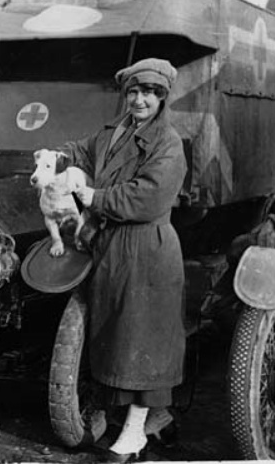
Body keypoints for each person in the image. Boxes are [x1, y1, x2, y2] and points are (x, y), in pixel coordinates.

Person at [61, 58, 187, 462]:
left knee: (142, 340)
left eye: (148, 93)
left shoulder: (168, 143)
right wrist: (65, 165)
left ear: (162, 98)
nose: (139, 100)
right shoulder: (114, 133)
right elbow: (79, 150)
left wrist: (94, 197)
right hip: (111, 247)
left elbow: (148, 198)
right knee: (117, 336)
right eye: (133, 92)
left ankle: (134, 436)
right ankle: (146, 421)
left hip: (145, 250)